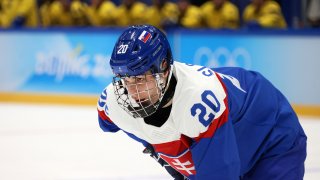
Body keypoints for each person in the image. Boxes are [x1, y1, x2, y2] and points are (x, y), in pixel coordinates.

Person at [97, 25, 307, 179]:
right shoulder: (113, 104)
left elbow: (221, 172)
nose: (132, 90)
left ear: (163, 66)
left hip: (272, 139)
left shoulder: (198, 100)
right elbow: (137, 129)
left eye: (141, 78)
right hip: (229, 144)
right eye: (126, 80)